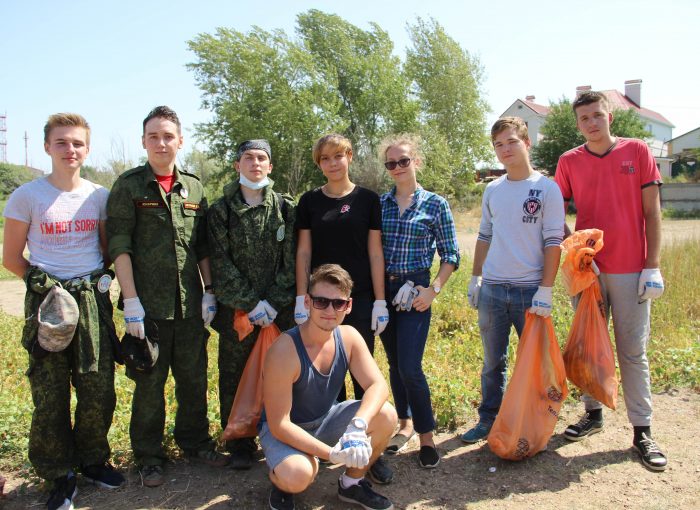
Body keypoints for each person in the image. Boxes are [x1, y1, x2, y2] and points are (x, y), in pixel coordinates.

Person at [3, 113, 125, 510]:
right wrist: (48, 288)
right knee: (50, 392)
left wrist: (85, 283)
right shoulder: (27, 196)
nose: (70, 150)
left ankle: (92, 461)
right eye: (62, 143)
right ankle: (58, 474)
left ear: (86, 149)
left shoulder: (99, 195)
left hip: (91, 301)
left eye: (77, 143)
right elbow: (11, 258)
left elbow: (106, 249)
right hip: (48, 305)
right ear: (47, 147)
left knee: (97, 388)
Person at [106, 106, 227, 488]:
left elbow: (203, 246)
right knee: (149, 385)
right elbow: (119, 245)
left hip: (190, 306)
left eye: (168, 136)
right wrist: (130, 301)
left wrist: (209, 292)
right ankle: (149, 455)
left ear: (180, 141)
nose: (162, 143)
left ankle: (194, 442)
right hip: (149, 308)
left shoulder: (194, 187)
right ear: (143, 141)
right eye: (154, 136)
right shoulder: (128, 186)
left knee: (193, 378)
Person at [554, 91, 667, 471]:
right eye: (584, 118)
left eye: (597, 116)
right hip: (589, 271)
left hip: (632, 269)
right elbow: (556, 215)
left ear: (609, 118)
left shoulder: (637, 152)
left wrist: (652, 265)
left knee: (632, 352)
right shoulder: (568, 161)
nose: (591, 123)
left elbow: (653, 213)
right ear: (578, 124)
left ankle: (642, 431)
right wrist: (577, 251)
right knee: (590, 347)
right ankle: (593, 414)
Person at [459, 118, 565, 444]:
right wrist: (476, 277)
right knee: (493, 363)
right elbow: (485, 235)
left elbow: (553, 242)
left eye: (511, 142)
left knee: (534, 364)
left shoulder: (547, 189)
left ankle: (534, 424)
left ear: (526, 143)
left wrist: (545, 290)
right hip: (492, 290)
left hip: (530, 291)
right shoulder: (493, 189)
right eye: (498, 145)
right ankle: (489, 420)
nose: (505, 150)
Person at [295, 134, 392, 483]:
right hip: (321, 300)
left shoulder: (368, 200)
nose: (333, 163)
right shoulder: (309, 202)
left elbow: (375, 252)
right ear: (318, 163)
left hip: (361, 298)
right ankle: (329, 445)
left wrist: (380, 299)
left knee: (362, 374)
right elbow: (304, 252)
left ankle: (371, 445)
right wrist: (300, 296)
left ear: (349, 156)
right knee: (327, 371)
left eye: (339, 156)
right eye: (325, 158)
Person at [261, 264, 397, 510]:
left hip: (325, 420)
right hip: (286, 431)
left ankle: (351, 484)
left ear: (349, 306)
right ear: (307, 303)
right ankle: (281, 481)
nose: (330, 310)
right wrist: (331, 455)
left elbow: (378, 385)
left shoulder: (349, 337)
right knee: (299, 475)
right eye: (321, 302)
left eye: (338, 303)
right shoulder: (284, 350)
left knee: (386, 414)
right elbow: (279, 424)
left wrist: (358, 426)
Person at [207, 139, 296, 469]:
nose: (255, 163)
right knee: (233, 373)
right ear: (237, 165)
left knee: (282, 372)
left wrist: (273, 302)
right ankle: (240, 442)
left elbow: (293, 261)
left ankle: (282, 430)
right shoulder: (221, 211)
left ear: (270, 166)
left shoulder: (286, 208)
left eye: (262, 158)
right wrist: (250, 303)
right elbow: (220, 262)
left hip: (279, 311)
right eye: (248, 158)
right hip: (239, 313)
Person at [377, 134, 460, 469]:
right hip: (384, 291)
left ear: (417, 162)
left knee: (411, 365)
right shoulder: (379, 204)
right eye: (391, 163)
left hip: (416, 291)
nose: (397, 168)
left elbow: (451, 254)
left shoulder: (435, 204)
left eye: (404, 161)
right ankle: (404, 423)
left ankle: (427, 436)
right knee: (395, 364)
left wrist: (433, 290)